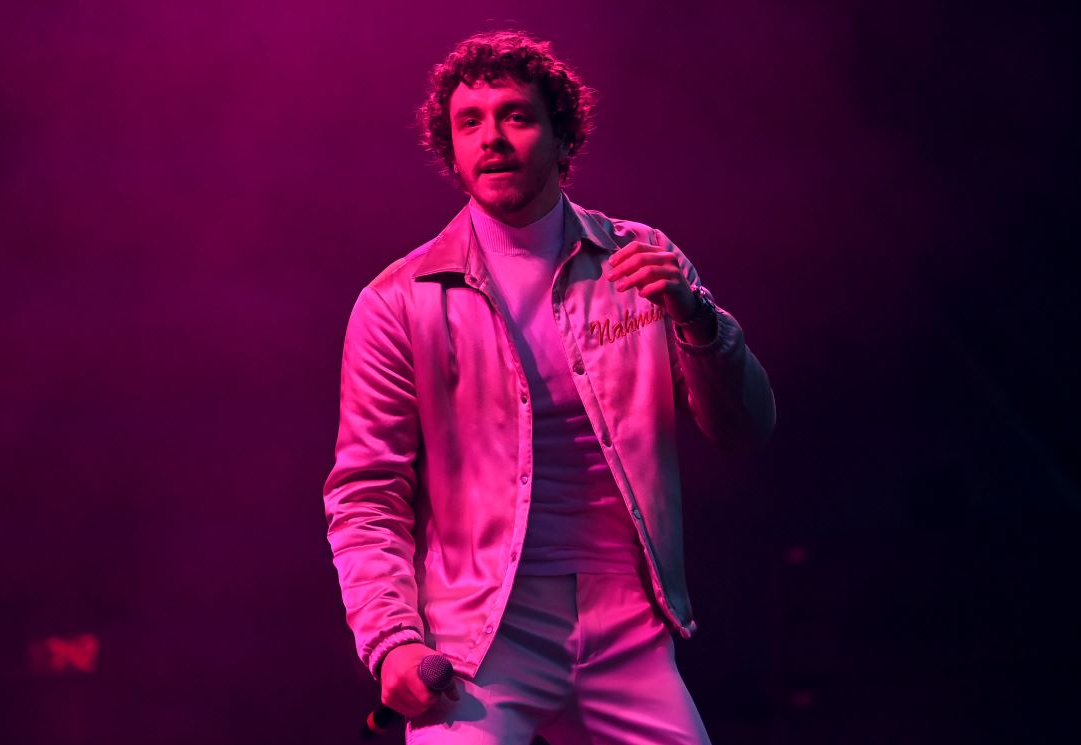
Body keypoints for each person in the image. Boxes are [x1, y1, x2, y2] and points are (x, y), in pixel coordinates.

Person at [323, 30, 775, 743]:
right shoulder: (397, 301)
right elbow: (366, 495)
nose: (492, 138)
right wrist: (391, 640)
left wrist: (697, 319)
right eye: (469, 123)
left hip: (628, 622)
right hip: (481, 637)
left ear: (563, 137)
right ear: (450, 150)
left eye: (516, 116)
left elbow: (746, 427)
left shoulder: (641, 258)